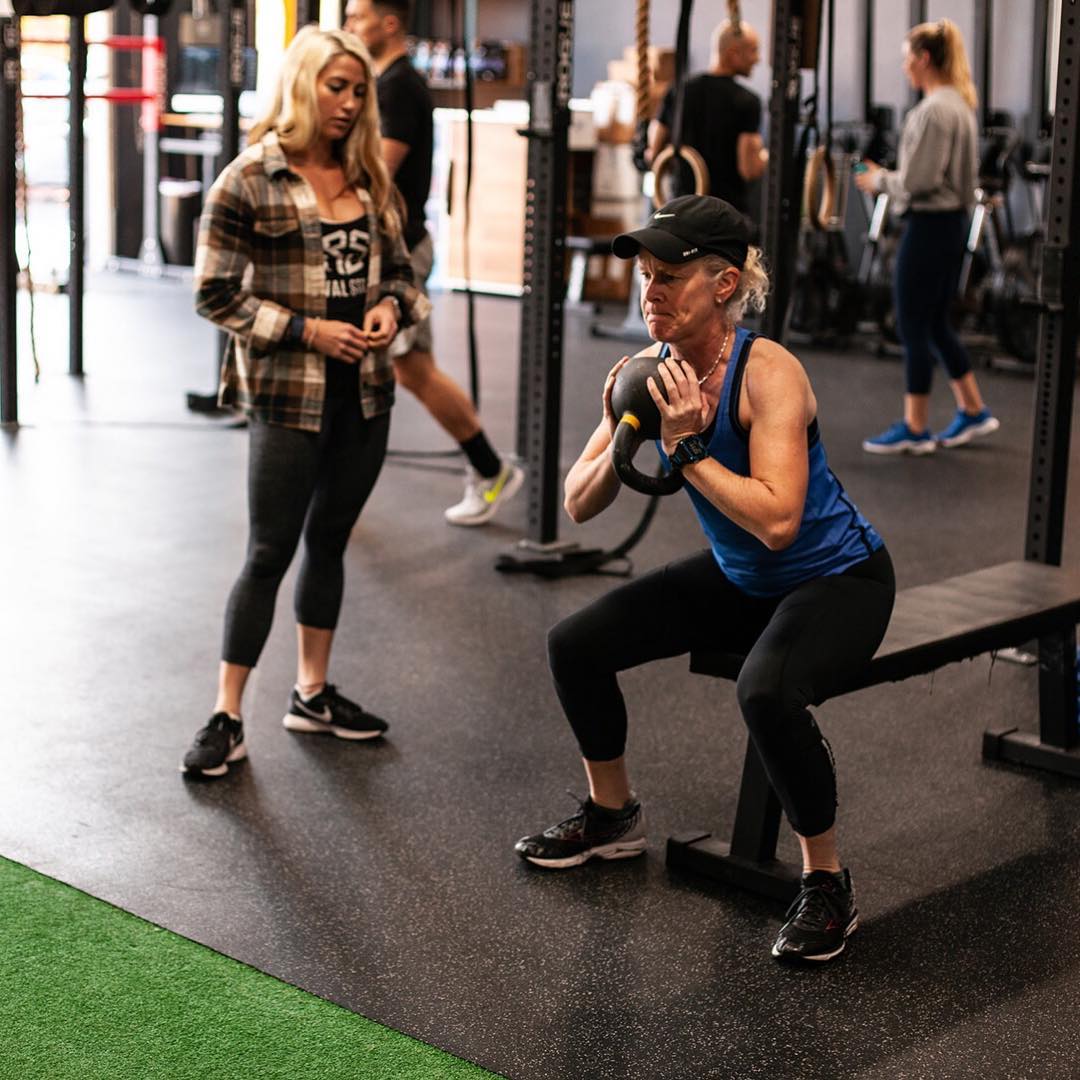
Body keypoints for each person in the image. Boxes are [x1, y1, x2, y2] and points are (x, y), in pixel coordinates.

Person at [514, 196, 896, 963]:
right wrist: (625, 426)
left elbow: (779, 521)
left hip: (838, 578)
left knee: (766, 690)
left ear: (723, 285)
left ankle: (827, 881)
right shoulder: (649, 373)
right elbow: (579, 503)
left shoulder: (769, 373)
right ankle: (613, 815)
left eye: (669, 277)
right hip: (742, 576)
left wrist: (687, 448)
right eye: (646, 277)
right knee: (575, 643)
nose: (650, 293)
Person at [181, 27, 429, 778]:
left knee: (330, 542)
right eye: (336, 87)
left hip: (367, 394)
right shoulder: (248, 178)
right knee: (268, 553)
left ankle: (311, 694)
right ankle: (227, 715)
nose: (349, 103)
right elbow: (214, 294)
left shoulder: (370, 179)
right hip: (287, 396)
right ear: (301, 86)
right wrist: (306, 330)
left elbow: (403, 275)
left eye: (359, 91)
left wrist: (390, 309)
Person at [344, 0, 524, 526]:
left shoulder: (398, 86)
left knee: (410, 369)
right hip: (386, 247)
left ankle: (491, 470)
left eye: (357, 16)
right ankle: (332, 484)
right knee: (389, 366)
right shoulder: (382, 82)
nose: (350, 25)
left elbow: (374, 175)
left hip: (399, 250)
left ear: (389, 23)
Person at [857, 19, 999, 455]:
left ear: (923, 59)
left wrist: (878, 180)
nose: (904, 67)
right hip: (948, 225)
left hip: (929, 226)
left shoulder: (935, 110)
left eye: (907, 59)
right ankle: (973, 409)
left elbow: (919, 181)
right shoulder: (959, 105)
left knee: (912, 323)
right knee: (936, 323)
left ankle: (915, 427)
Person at [647, 18, 767, 218]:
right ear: (733, 53)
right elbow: (749, 169)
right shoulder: (748, 101)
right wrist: (765, 158)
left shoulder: (678, 91)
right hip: (724, 216)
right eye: (753, 51)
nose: (757, 59)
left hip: (680, 212)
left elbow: (654, 152)